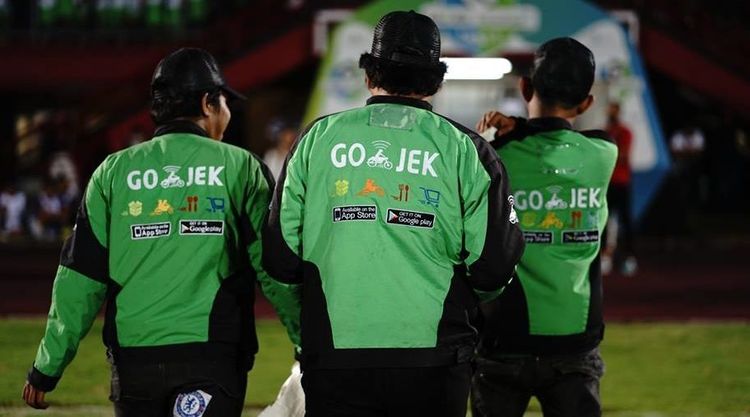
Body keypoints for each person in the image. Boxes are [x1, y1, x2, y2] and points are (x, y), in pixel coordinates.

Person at [263, 10, 524, 417]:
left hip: (335, 360)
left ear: (369, 75)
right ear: (436, 81)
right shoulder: (468, 150)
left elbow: (280, 258)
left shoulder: (316, 140)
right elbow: (494, 268)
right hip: (434, 362)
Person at [22, 47, 300, 417]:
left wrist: (47, 367)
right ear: (207, 103)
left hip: (133, 365)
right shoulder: (242, 168)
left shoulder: (112, 172)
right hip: (211, 358)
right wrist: (307, 341)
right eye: (224, 102)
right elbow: (274, 268)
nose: (228, 113)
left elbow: (79, 279)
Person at [473, 37, 617, 417]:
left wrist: (514, 129)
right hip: (575, 338)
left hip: (504, 335)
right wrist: (521, 127)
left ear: (525, 87)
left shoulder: (495, 157)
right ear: (586, 103)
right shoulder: (603, 154)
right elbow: (575, 137)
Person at [603, 102, 637, 276]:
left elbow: (623, 155)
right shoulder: (604, 132)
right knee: (603, 220)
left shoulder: (625, 132)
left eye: (614, 110)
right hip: (607, 183)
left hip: (622, 182)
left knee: (625, 221)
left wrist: (607, 155)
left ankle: (628, 256)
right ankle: (605, 256)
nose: (611, 113)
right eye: (610, 110)